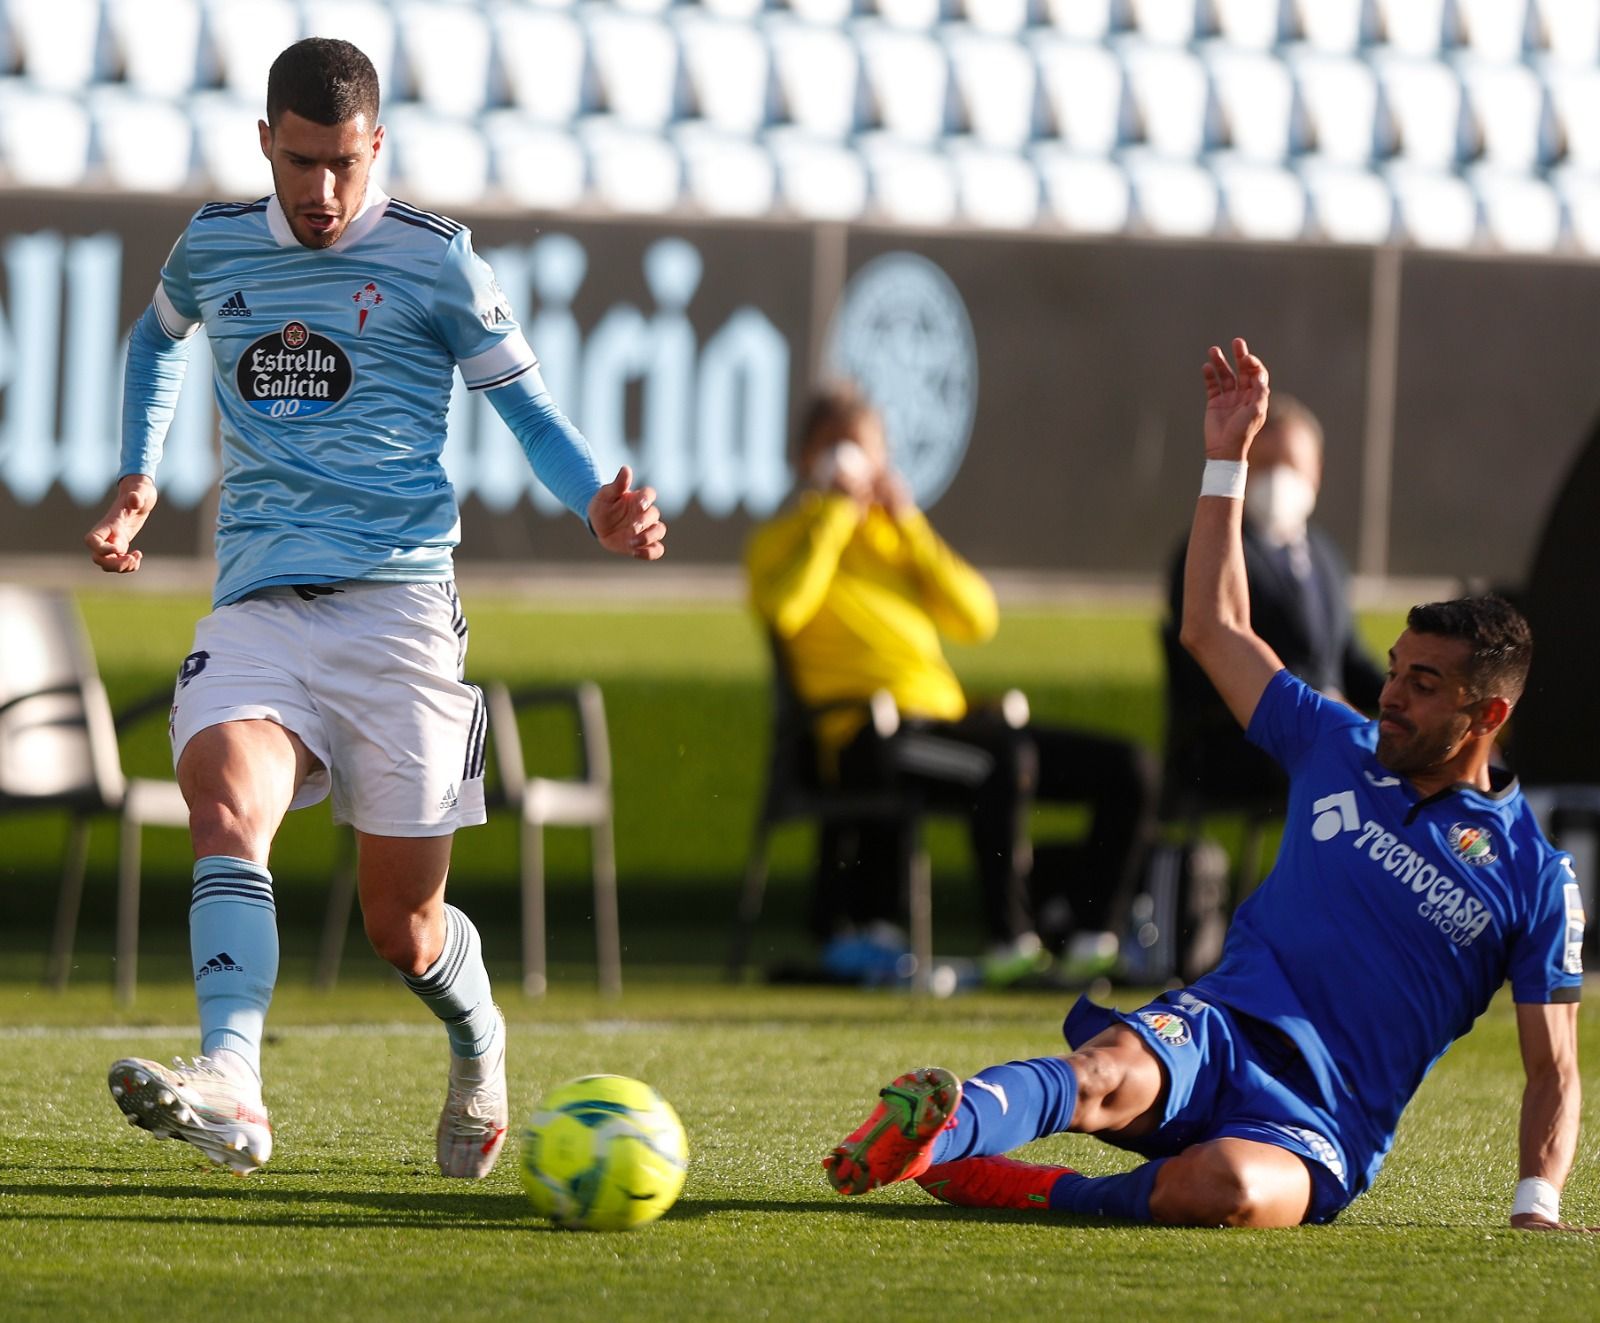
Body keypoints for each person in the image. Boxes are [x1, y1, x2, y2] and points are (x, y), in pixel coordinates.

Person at [821, 338, 1588, 1231]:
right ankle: (940, 1127)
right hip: (1220, 1026)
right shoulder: (1336, 741)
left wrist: (1538, 1206)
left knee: (1220, 1187)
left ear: (1486, 718)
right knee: (1103, 1073)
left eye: (1424, 685)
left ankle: (1034, 1188)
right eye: (1394, 668)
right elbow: (1214, 626)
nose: (1391, 694)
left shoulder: (1534, 876)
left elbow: (1554, 1066)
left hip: (1321, 1123)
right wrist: (1226, 458)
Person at [84, 38, 665, 1179]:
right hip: (258, 604)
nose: (321, 191)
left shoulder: (434, 260)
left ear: (376, 146)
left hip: (399, 612)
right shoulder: (211, 244)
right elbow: (157, 338)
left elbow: (530, 409)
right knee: (222, 802)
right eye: (300, 163)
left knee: (401, 928)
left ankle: (478, 1036)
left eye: (343, 163)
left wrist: (594, 498)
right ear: (266, 143)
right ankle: (234, 1083)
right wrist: (136, 475)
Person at [745, 384, 1156, 983]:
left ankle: (1092, 938)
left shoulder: (897, 539)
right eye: (833, 447)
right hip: (872, 733)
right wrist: (834, 515)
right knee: (1002, 759)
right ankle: (1011, 943)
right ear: (805, 460)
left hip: (950, 724)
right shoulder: (782, 541)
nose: (850, 461)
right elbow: (783, 609)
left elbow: (977, 616)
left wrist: (909, 524)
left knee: (1129, 769)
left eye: (862, 448)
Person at [1164, 392, 1385, 808]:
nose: (1277, 481)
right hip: (1247, 739)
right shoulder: (1215, 554)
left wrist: (1413, 704)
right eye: (1263, 466)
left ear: (1315, 472)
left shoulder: (1325, 554)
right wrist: (1331, 711)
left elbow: (1348, 656)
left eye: (1290, 466)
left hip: (1330, 730)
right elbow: (1211, 655)